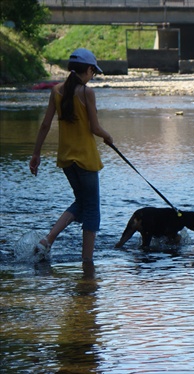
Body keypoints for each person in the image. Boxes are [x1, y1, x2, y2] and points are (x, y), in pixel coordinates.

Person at [29, 48, 113, 262]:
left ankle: (48, 240)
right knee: (92, 209)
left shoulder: (56, 90)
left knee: (82, 203)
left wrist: (36, 154)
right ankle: (87, 263)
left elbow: (45, 124)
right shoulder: (87, 92)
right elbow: (95, 127)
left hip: (66, 159)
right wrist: (108, 136)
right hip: (86, 159)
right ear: (88, 69)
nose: (92, 76)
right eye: (93, 72)